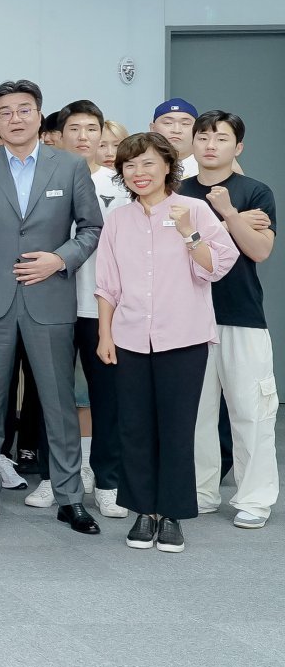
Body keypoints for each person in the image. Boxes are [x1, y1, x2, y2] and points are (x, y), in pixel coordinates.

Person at [0, 80, 104, 534]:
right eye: (6, 112)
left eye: (24, 109)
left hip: (49, 295)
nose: (15, 118)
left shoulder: (69, 165)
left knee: (58, 402)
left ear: (39, 114)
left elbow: (91, 228)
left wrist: (60, 259)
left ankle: (70, 497)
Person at [95, 132, 236, 552]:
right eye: (130, 165)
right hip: (130, 336)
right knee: (134, 428)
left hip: (184, 336)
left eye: (148, 163)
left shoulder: (195, 209)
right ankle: (143, 512)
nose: (139, 173)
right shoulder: (118, 219)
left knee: (176, 428)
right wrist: (105, 334)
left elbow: (216, 267)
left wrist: (190, 232)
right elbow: (107, 283)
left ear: (168, 167)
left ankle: (172, 514)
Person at [182, 110, 277, 528]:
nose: (210, 145)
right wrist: (225, 222)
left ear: (237, 147)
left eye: (221, 138)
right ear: (192, 143)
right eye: (203, 137)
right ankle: (201, 491)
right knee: (197, 414)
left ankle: (255, 499)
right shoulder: (178, 191)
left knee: (252, 411)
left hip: (242, 316)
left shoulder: (255, 191)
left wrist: (230, 213)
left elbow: (259, 250)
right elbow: (171, 250)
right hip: (188, 317)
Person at [58, 100, 130, 519]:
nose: (82, 137)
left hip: (102, 308)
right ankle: (56, 476)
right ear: (59, 135)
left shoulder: (120, 185)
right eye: (74, 128)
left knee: (107, 399)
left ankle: (108, 481)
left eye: (90, 129)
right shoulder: (45, 177)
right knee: (53, 398)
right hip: (52, 305)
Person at [151, 98, 199, 178]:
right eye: (168, 123)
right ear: (152, 128)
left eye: (185, 124)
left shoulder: (207, 168)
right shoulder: (139, 166)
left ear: (197, 130)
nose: (176, 130)